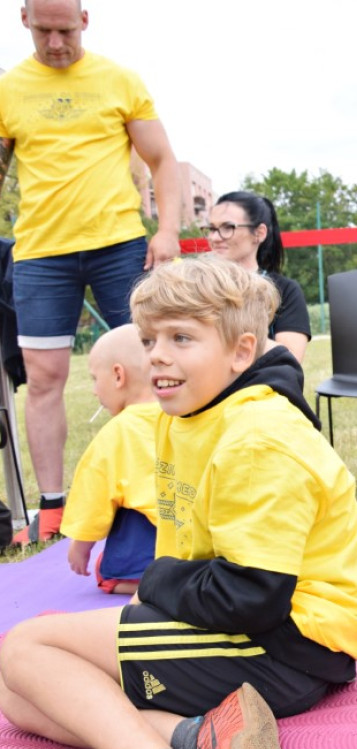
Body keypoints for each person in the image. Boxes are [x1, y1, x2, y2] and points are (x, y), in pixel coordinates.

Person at [0, 257, 357, 749]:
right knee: (17, 694)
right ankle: (194, 737)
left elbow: (253, 596)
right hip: (236, 630)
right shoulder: (193, 412)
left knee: (23, 651)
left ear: (241, 351)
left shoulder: (258, 438)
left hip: (284, 648)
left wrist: (156, 581)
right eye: (150, 340)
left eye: (181, 339)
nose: (157, 357)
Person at [1, 0, 181, 545]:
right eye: (43, 31)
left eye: (64, 30)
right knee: (45, 376)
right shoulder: (8, 89)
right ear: (24, 22)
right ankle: (53, 507)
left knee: (156, 362)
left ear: (84, 20)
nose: (55, 43)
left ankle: (167, 488)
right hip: (41, 251)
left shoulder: (119, 79)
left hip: (118, 243)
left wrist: (167, 229)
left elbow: (163, 160)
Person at [60, 324, 161, 594]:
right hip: (195, 544)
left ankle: (136, 584)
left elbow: (94, 497)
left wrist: (80, 546)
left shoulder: (117, 432)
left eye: (95, 378)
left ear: (118, 375)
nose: (94, 391)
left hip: (147, 548)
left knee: (106, 574)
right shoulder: (184, 414)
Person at [204, 191, 311, 362]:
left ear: (260, 233)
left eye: (227, 227)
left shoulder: (284, 290)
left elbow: (289, 360)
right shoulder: (196, 286)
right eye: (211, 229)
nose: (214, 237)